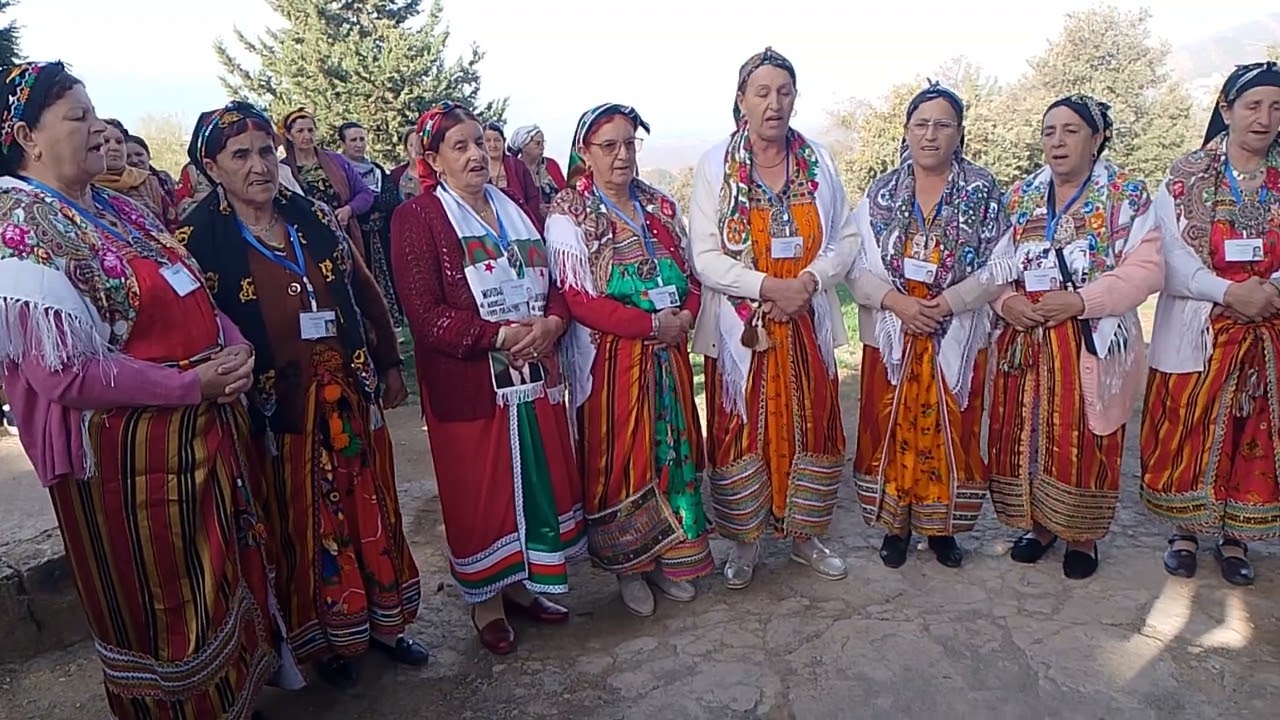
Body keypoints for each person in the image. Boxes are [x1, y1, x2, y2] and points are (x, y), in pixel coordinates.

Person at [0, 61, 297, 720]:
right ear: (27, 135)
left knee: (221, 578)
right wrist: (190, 383)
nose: (97, 126)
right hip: (127, 462)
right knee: (166, 602)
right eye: (76, 117)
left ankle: (236, 696)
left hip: (201, 428)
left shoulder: (114, 207)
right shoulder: (20, 224)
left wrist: (234, 342)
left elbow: (187, 284)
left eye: (95, 112)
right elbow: (63, 371)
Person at [178, 102, 426, 688]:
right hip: (277, 414)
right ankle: (328, 642)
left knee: (371, 503)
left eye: (267, 151)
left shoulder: (312, 216)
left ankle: (387, 624)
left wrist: (389, 361)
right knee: (303, 523)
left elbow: (363, 289)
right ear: (213, 166)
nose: (259, 165)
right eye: (240, 155)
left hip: (347, 392)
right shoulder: (195, 240)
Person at [391, 102, 585, 656]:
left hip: (532, 374)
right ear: (434, 159)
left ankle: (525, 586)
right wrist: (497, 337)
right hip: (471, 385)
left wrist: (550, 323)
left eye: (480, 141)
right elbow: (424, 314)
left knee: (532, 481)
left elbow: (556, 285)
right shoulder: (419, 218)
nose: (477, 153)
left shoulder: (518, 209)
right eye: (460, 146)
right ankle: (487, 602)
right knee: (482, 492)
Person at [687, 47, 858, 589]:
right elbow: (705, 255)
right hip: (746, 330)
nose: (774, 102)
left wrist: (806, 282)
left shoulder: (819, 161)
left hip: (805, 322)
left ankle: (805, 536)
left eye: (783, 92)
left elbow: (848, 236)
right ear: (741, 101)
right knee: (741, 429)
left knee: (812, 424)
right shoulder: (716, 165)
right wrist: (767, 286)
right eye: (761, 92)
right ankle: (746, 539)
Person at [985, 94, 1164, 580]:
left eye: (1070, 131)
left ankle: (1081, 535)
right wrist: (1005, 302)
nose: (1057, 142)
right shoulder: (1022, 195)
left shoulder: (1126, 196)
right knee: (1030, 435)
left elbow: (1147, 269)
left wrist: (1083, 301)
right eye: (1049, 132)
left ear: (1097, 137)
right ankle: (1040, 525)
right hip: (1029, 338)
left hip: (1089, 339)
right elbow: (996, 265)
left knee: (1086, 437)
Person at [545, 103, 714, 616]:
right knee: (621, 459)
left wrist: (684, 316)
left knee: (672, 454)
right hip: (615, 363)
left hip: (668, 355)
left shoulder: (660, 206)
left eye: (629, 144)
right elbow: (579, 300)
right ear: (585, 153)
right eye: (609, 146)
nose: (621, 155)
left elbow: (691, 276)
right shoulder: (568, 212)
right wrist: (648, 325)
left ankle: (670, 557)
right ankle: (630, 567)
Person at [848, 82, 1008, 569]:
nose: (931, 135)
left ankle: (942, 528)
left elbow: (1001, 264)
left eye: (943, 125)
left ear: (960, 133)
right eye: (922, 124)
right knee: (887, 425)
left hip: (952, 333)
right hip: (895, 334)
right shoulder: (880, 194)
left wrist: (946, 304)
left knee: (952, 430)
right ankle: (895, 524)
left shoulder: (982, 192)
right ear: (906, 130)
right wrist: (898, 302)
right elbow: (855, 266)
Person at [1142, 61, 1280, 586]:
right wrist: (1229, 292)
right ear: (1226, 110)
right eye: (1252, 106)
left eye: (1276, 108)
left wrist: (1270, 291)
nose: (1264, 119)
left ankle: (1237, 533)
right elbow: (1170, 257)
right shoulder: (1184, 176)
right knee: (1188, 426)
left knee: (1253, 431)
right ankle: (1185, 530)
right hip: (1202, 326)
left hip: (1266, 330)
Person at [338, 121, 404, 325]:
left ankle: (393, 320)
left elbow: (390, 199)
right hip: (355, 233)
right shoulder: (339, 170)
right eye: (353, 140)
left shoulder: (375, 169)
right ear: (343, 143)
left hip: (382, 234)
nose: (359, 144)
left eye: (361, 139)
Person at [279, 108, 373, 251]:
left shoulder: (337, 161)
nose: (307, 135)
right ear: (289, 135)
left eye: (310, 130)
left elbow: (365, 194)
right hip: (307, 241)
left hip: (344, 235)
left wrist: (349, 210)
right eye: (300, 131)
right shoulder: (284, 170)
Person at [95, 118, 167, 221]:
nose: (114, 147)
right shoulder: (81, 186)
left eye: (119, 142)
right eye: (105, 141)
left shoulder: (147, 180)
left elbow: (171, 225)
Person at [483, 120, 544, 226]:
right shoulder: (477, 167)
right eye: (487, 140)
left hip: (521, 222)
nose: (493, 145)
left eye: (497, 140)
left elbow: (532, 198)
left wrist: (528, 222)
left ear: (504, 141)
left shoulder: (517, 166)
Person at [508, 124, 566, 205]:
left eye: (543, 143)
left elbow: (564, 191)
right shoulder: (513, 168)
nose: (541, 147)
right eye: (537, 143)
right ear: (523, 146)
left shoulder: (552, 165)